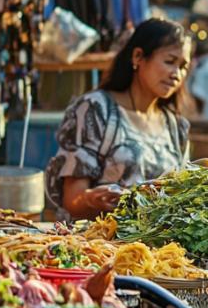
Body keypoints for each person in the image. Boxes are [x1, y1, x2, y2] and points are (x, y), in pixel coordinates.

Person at [47, 19, 193, 221]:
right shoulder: (96, 109)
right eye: (169, 61)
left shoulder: (176, 127)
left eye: (183, 66)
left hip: (158, 249)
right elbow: (73, 201)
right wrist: (92, 200)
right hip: (99, 246)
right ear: (138, 57)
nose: (176, 74)